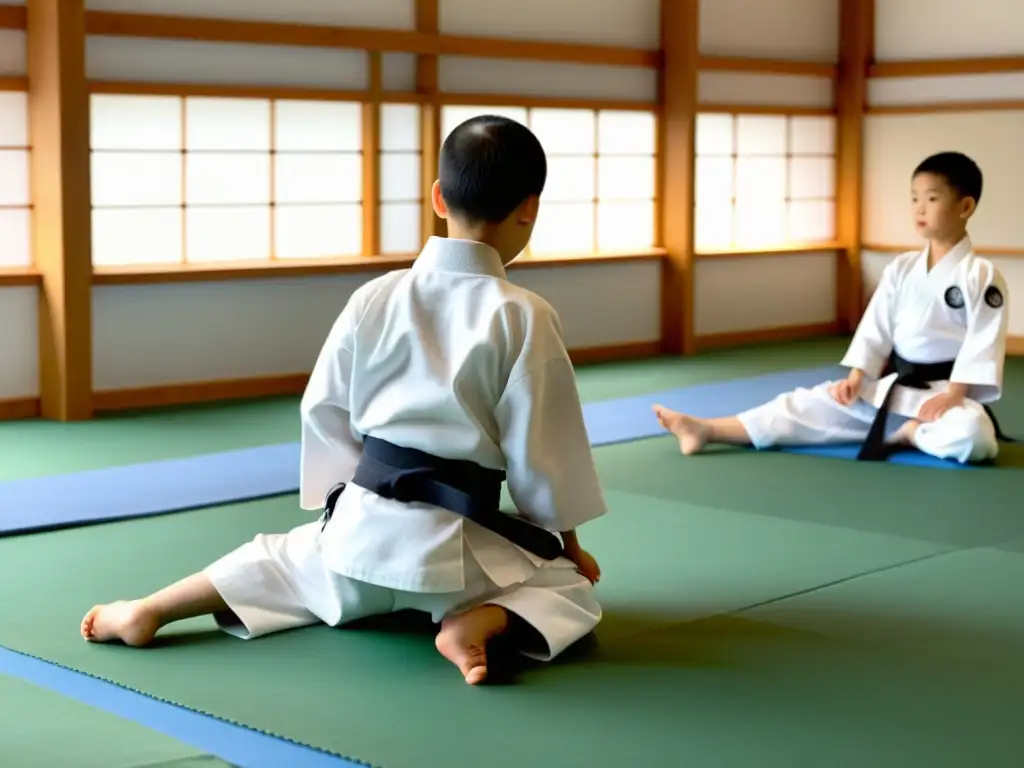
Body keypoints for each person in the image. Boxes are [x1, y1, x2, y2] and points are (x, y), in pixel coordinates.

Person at [81, 115, 608, 686]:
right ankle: (474, 623)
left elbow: (325, 409)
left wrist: (345, 504)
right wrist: (568, 545)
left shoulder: (373, 296)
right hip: (455, 564)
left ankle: (150, 609)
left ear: (437, 197)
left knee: (277, 558)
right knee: (568, 588)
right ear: (529, 208)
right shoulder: (523, 314)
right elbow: (545, 449)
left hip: (355, 545)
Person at [654, 151, 1010, 465]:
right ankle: (707, 429)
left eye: (932, 199)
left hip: (943, 395)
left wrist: (954, 395)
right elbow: (876, 327)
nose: (919, 208)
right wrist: (858, 376)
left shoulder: (980, 275)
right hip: (895, 389)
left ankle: (912, 434)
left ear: (965, 207)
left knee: (974, 436)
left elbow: (984, 341)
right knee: (809, 404)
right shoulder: (902, 268)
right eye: (914, 198)